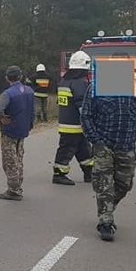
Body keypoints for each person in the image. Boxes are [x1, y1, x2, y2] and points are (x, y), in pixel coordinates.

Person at [81, 72, 136, 241]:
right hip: (104, 145)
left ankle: (106, 208)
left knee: (124, 184)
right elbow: (86, 116)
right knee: (104, 185)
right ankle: (105, 222)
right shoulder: (96, 87)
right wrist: (96, 141)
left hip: (127, 146)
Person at [0, 65, 35, 201]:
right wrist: (30, 124)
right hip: (23, 129)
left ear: (7, 78)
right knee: (19, 157)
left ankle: (13, 189)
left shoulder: (8, 93)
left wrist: (1, 118)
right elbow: (32, 111)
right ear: (20, 76)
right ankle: (18, 184)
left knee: (9, 160)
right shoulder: (29, 91)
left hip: (10, 130)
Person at [52, 51, 94, 185]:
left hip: (68, 123)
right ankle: (59, 174)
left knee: (84, 150)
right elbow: (82, 105)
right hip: (75, 124)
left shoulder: (65, 81)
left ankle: (89, 173)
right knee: (66, 150)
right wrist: (90, 121)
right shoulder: (79, 83)